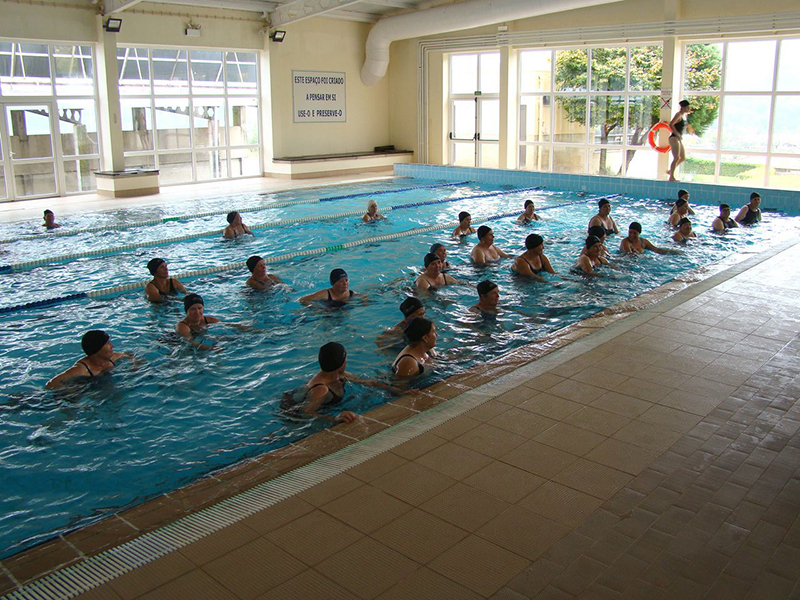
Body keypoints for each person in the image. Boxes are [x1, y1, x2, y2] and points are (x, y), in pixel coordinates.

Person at [281, 342, 401, 423]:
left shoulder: (341, 374)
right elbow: (307, 413)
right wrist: (334, 418)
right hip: (292, 417)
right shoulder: (320, 389)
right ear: (340, 363)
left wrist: (395, 389)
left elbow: (367, 382)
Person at [46, 330, 131, 389]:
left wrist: (135, 366)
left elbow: (130, 355)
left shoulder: (112, 358)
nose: (112, 346)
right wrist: (70, 390)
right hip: (86, 387)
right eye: (108, 343)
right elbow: (51, 384)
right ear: (98, 348)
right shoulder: (81, 369)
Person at [176, 293, 248, 349]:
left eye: (199, 308)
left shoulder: (208, 320)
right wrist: (210, 348)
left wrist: (249, 330)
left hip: (201, 338)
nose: (197, 312)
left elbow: (228, 325)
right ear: (186, 311)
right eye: (193, 309)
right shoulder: (182, 326)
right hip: (176, 343)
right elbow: (190, 342)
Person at [667, 99, 693, 181]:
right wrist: (677, 134)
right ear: (683, 107)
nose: (689, 109)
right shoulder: (678, 114)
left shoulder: (683, 116)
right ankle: (671, 177)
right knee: (676, 157)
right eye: (688, 107)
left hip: (678, 139)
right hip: (674, 138)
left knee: (682, 157)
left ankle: (670, 171)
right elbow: (671, 124)